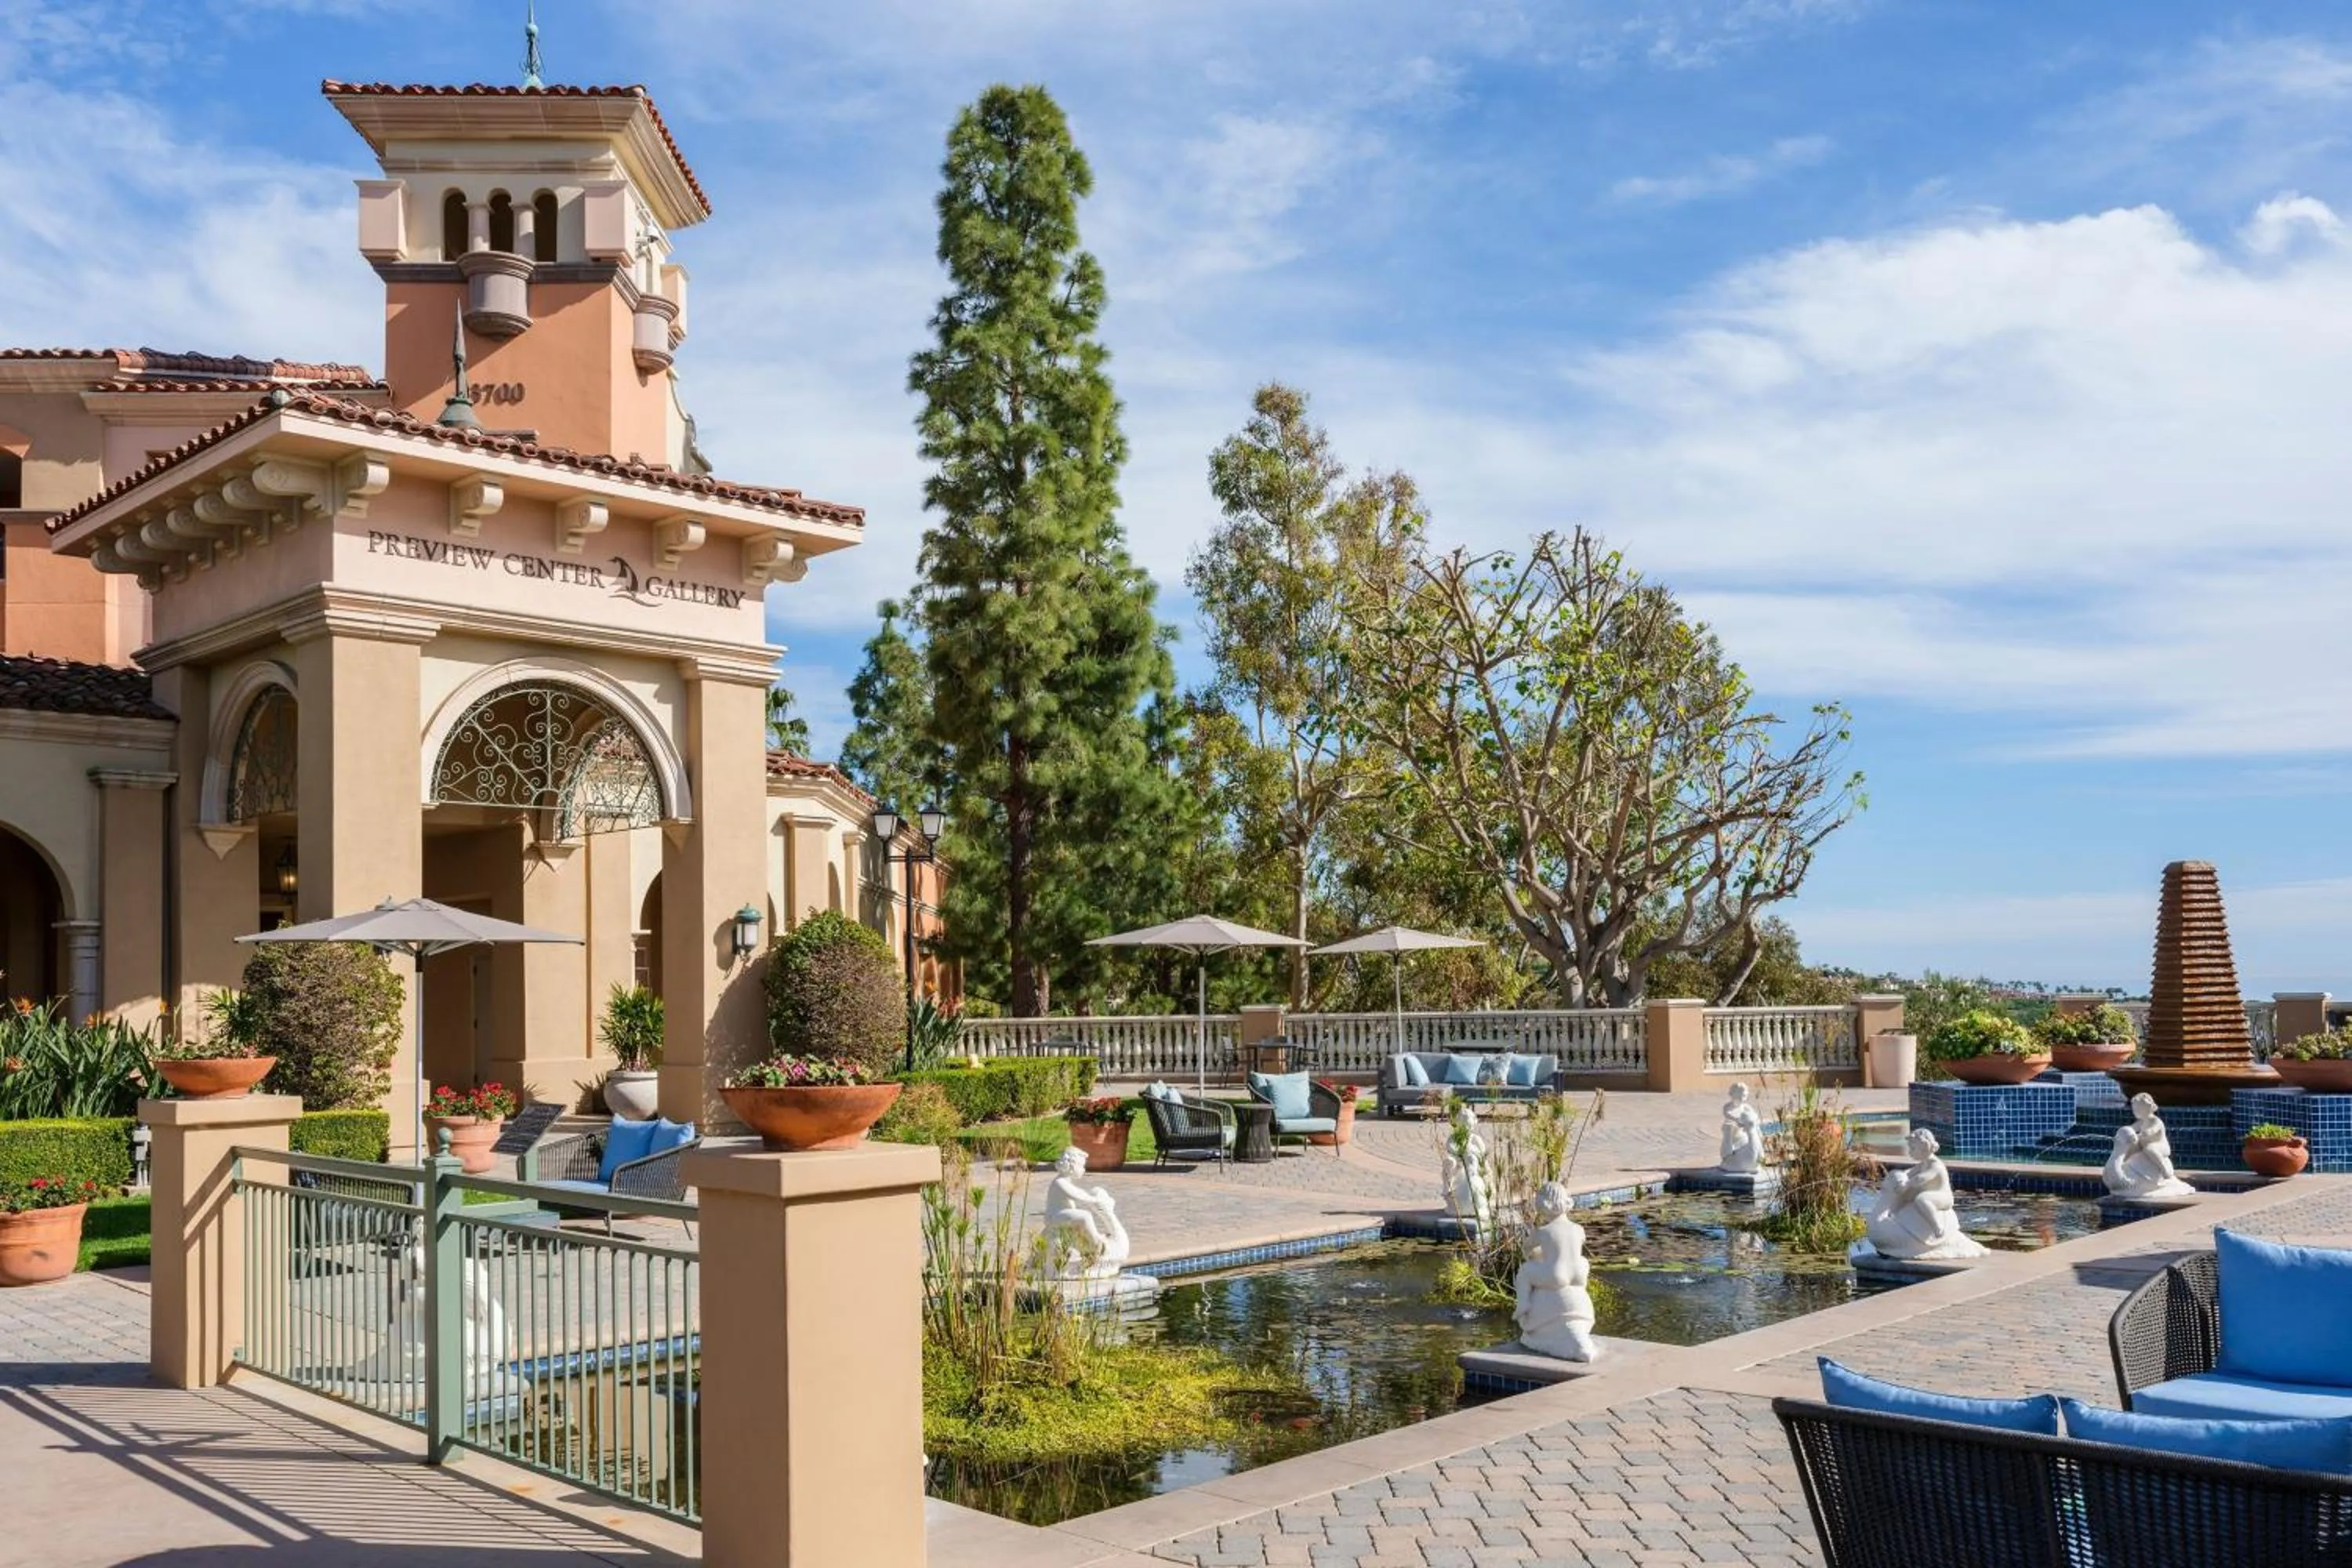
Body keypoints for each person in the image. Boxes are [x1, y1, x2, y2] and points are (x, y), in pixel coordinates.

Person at [1862, 1128, 1987, 1260]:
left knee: (1922, 1199)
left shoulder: (1935, 1165)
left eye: (1913, 1148)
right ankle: (1894, 1215)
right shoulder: (1924, 1163)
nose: (1910, 1152)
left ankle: (1937, 1227)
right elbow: (1912, 1171)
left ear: (1924, 1147)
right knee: (1911, 1197)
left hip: (1943, 1197)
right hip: (1932, 1195)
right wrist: (1902, 1176)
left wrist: (1907, 1184)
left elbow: (1922, 1178)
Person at [1514, 1181, 1599, 1361]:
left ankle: (1523, 1304)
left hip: (1556, 1275)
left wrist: (1535, 1256)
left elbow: (1527, 1249)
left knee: (1525, 1271)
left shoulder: (1544, 1231)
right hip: (1578, 1275)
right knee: (1583, 1260)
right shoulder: (1578, 1229)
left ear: (1545, 1203)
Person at [1042, 1145, 1131, 1279]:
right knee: (1084, 1216)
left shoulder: (1065, 1182)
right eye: (1081, 1166)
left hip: (1063, 1215)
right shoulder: (1060, 1182)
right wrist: (1094, 1199)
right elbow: (1078, 1195)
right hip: (1055, 1217)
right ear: (1070, 1166)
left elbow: (1079, 1194)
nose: (1084, 1170)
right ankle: (1095, 1243)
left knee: (1080, 1217)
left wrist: (1093, 1199)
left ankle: (1089, 1244)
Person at [2103, 1092, 2195, 1200]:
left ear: (2147, 1108)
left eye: (2137, 1109)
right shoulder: (2141, 1122)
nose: (2135, 1112)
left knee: (2150, 1149)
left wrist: (2142, 1134)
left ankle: (2165, 1171)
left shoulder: (2155, 1121)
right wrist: (2126, 1134)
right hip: (2144, 1146)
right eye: (2134, 1109)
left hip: (2160, 1147)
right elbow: (2132, 1128)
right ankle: (2125, 1164)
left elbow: (2151, 1131)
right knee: (2133, 1146)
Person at [1719, 1082, 1766, 1173]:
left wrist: (1754, 1121)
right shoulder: (1728, 1107)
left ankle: (1758, 1155)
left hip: (1744, 1130)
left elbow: (1754, 1116)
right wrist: (1738, 1121)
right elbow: (1728, 1115)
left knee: (1755, 1130)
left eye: (1744, 1096)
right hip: (1734, 1129)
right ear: (1733, 1094)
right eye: (1741, 1095)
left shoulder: (1746, 1107)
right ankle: (1728, 1156)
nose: (1743, 1098)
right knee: (1729, 1128)